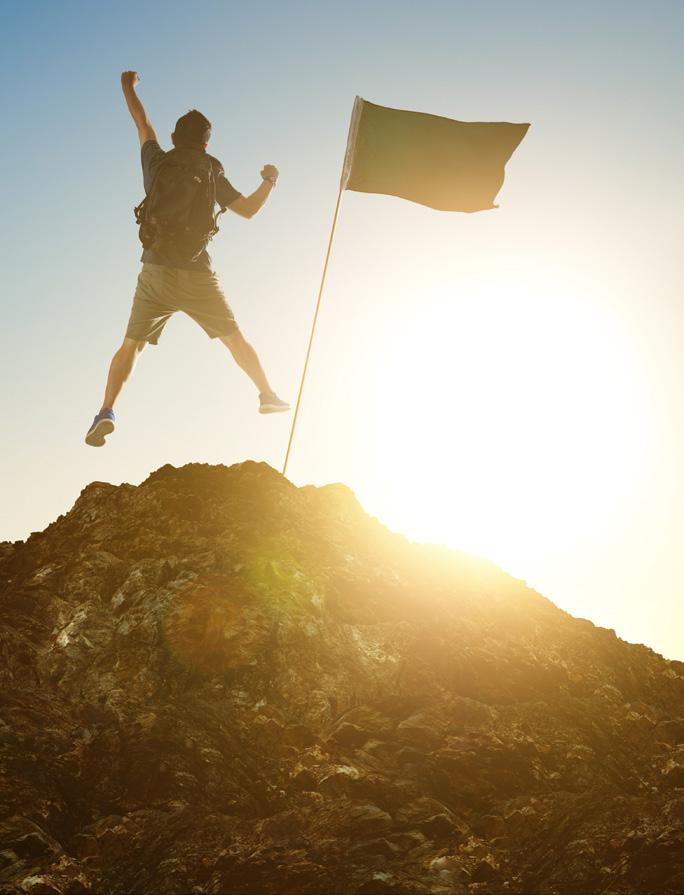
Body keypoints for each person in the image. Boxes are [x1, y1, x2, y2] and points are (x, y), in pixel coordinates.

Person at [85, 70, 289, 447]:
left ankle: (106, 411)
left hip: (155, 271)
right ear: (206, 144)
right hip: (197, 274)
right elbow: (248, 210)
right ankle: (266, 394)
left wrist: (127, 86)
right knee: (234, 339)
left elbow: (142, 122)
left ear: (174, 137)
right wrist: (269, 180)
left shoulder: (156, 161)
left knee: (132, 345)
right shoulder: (210, 169)